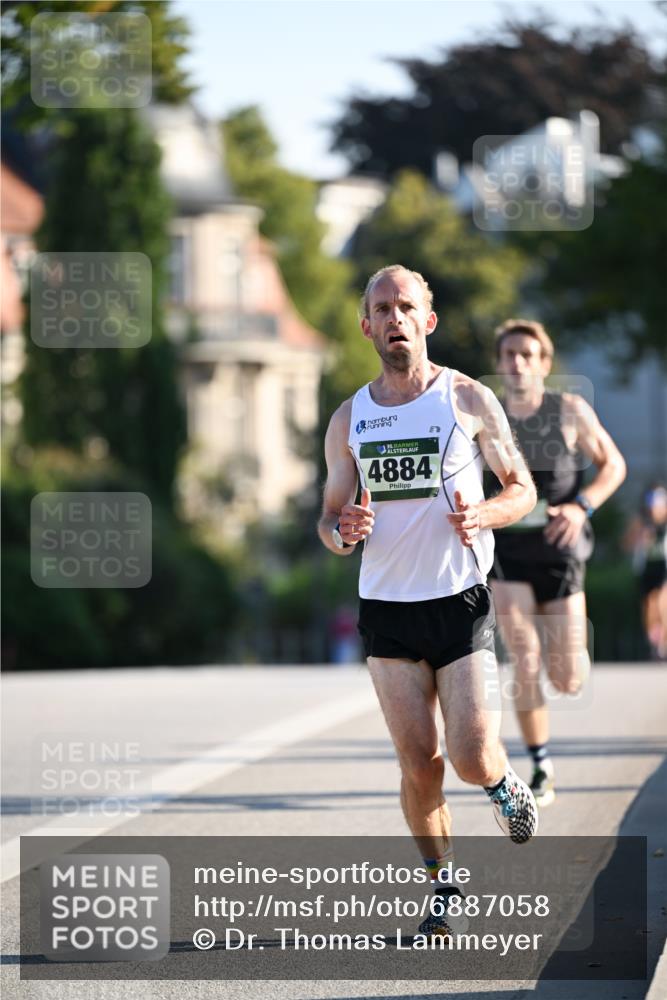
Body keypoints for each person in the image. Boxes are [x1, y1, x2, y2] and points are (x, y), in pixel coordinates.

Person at [318, 265, 539, 939]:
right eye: (380, 308)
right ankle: (443, 884)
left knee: (470, 755)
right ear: (365, 326)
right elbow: (329, 517)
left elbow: (520, 486)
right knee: (418, 763)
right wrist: (340, 532)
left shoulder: (465, 398)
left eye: (405, 306)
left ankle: (502, 784)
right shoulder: (347, 418)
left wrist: (487, 516)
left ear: (426, 321)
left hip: (459, 598)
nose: (393, 318)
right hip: (387, 606)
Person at [490, 319, 626, 807]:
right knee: (523, 659)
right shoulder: (488, 417)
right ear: (499, 363)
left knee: (567, 678)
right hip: (506, 553)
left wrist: (581, 506)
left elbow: (614, 464)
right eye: (509, 354)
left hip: (560, 553)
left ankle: (569, 660)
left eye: (528, 354)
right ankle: (540, 765)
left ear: (544, 363)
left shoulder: (569, 410)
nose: (518, 362)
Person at [625, 484, 667, 660]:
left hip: (663, 568)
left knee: (661, 602)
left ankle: (663, 644)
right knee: (649, 606)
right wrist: (640, 538)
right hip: (646, 569)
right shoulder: (640, 521)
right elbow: (626, 544)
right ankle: (654, 641)